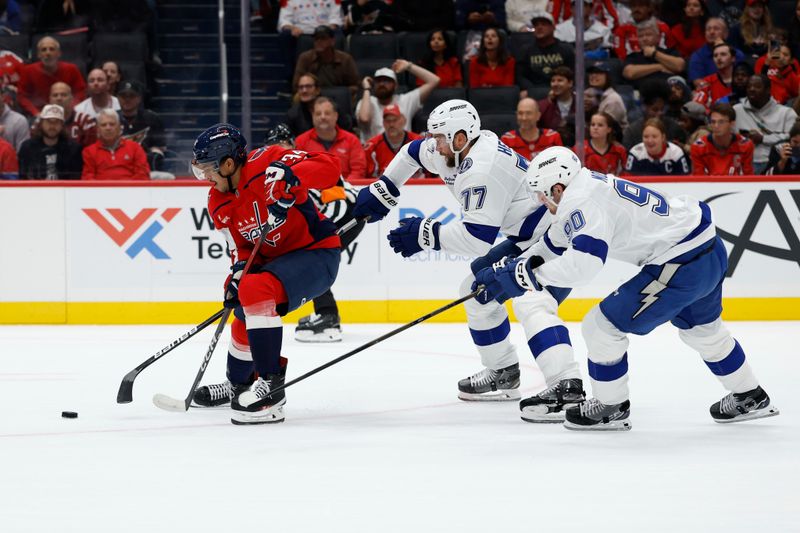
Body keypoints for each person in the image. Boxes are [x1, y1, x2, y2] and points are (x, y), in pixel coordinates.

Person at [473, 144, 779, 430]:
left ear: (557, 187)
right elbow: (554, 243)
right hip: (707, 250)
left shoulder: (581, 201)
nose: (541, 201)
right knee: (704, 331)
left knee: (600, 326)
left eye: (542, 194)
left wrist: (528, 277)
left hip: (679, 264)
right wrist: (510, 268)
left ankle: (611, 407)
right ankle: (750, 395)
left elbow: (584, 265)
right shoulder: (584, 186)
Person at [353, 100, 585, 421]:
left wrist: (426, 234)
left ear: (461, 138)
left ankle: (566, 384)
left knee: (533, 303)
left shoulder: (481, 169)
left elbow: (477, 238)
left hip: (558, 237)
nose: (434, 145)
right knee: (477, 291)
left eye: (440, 138)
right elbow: (411, 152)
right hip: (528, 237)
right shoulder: (453, 148)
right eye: (434, 137)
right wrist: (386, 186)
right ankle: (503, 370)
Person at [189, 123, 344, 424]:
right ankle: (239, 385)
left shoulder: (268, 161)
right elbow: (241, 249)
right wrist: (236, 274)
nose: (205, 177)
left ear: (228, 163)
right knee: (244, 305)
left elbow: (330, 168)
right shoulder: (217, 201)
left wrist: (291, 174)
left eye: (208, 168)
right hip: (275, 264)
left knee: (255, 289)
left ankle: (272, 388)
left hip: (317, 255)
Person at [356, 62, 440, 142]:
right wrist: (366, 89)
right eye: (378, 81)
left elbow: (434, 80)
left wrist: (408, 66)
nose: (382, 84)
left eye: (387, 81)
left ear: (395, 85)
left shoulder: (405, 100)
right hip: (373, 153)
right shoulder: (367, 101)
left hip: (403, 152)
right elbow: (364, 119)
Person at [733, 74, 798, 174]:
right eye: (749, 86)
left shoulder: (786, 113)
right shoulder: (736, 110)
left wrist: (763, 139)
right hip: (742, 162)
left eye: (757, 86)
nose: (752, 89)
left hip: (774, 162)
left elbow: (794, 140)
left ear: (768, 90)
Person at [295, 96, 366, 182]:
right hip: (312, 191)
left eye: (327, 113)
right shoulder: (300, 141)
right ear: (312, 116)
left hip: (345, 191)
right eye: (318, 114)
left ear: (336, 116)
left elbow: (358, 171)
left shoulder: (352, 140)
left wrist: (345, 187)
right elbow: (297, 172)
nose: (323, 117)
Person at [18, 36, 86, 116]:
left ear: (59, 53)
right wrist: (35, 112)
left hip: (68, 113)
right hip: (40, 114)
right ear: (38, 55)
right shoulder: (28, 71)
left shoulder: (71, 69)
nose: (48, 53)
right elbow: (22, 97)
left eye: (52, 49)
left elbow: (80, 92)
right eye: (44, 50)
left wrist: (71, 109)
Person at [514, 11, 575, 94]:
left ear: (553, 27)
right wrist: (532, 90)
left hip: (561, 90)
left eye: (543, 24)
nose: (539, 27)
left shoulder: (566, 49)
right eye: (536, 25)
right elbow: (520, 76)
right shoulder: (525, 50)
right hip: (534, 91)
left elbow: (573, 73)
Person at [18, 104, 83, 180]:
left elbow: (75, 180)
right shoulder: (27, 148)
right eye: (48, 121)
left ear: (62, 125)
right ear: (41, 123)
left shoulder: (74, 149)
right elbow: (23, 177)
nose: (52, 126)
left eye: (56, 122)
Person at [81, 109, 150, 180]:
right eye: (103, 125)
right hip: (101, 190)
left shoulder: (135, 148)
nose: (108, 128)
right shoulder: (89, 152)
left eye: (112, 124)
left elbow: (143, 174)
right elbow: (88, 178)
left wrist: (126, 188)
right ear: (98, 130)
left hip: (130, 189)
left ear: (119, 128)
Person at [622, 18, 686, 92]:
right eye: (640, 36)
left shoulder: (670, 52)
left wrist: (654, 54)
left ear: (658, 37)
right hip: (643, 94)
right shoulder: (633, 57)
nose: (644, 39)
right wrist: (659, 67)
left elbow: (680, 66)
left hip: (669, 92)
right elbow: (629, 73)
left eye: (648, 35)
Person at [292, 25, 360, 96]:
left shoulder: (345, 59)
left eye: (323, 38)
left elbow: (356, 86)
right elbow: (296, 86)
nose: (319, 41)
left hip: (338, 98)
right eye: (316, 39)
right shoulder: (305, 58)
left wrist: (340, 92)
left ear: (332, 41)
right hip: (313, 97)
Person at [116, 81, 168, 171]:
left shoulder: (152, 119)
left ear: (139, 98)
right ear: (118, 98)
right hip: (118, 164)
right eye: (123, 96)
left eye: (132, 96)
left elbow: (160, 148)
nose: (127, 99)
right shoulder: (111, 119)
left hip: (146, 165)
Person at [690, 102, 754, 175]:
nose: (716, 126)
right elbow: (698, 180)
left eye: (721, 122)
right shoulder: (698, 147)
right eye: (713, 122)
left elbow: (748, 178)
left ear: (732, 123)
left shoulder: (745, 145)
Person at [364, 104, 424, 178]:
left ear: (404, 121)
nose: (391, 124)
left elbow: (430, 174)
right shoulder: (372, 146)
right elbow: (369, 178)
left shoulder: (419, 142)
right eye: (388, 121)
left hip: (418, 188)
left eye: (395, 120)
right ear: (383, 123)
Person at [688, 18, 746, 85]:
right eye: (708, 29)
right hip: (711, 92)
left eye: (716, 29)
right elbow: (698, 82)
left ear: (726, 33)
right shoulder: (698, 56)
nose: (711, 32)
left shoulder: (737, 54)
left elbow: (743, 77)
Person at [625, 118, 691, 175]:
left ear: (663, 137)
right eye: (646, 136)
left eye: (654, 136)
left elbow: (684, 182)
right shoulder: (636, 153)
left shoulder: (676, 153)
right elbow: (628, 181)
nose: (650, 141)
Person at [74, 68, 121, 146]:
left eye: (100, 80)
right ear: (87, 86)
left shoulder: (119, 104)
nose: (96, 83)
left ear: (108, 85)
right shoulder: (79, 110)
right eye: (91, 81)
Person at [694, 42, 736, 108]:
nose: (718, 58)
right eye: (715, 55)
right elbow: (696, 106)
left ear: (733, 58)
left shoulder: (742, 80)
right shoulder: (706, 82)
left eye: (723, 54)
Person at [587, 63, 627, 129]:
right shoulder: (591, 96)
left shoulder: (613, 100)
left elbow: (606, 128)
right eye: (591, 73)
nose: (593, 75)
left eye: (599, 73)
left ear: (608, 77)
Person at [537, 65, 574, 132]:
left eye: (560, 80)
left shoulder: (581, 103)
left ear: (570, 83)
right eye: (553, 81)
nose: (555, 84)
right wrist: (548, 102)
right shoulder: (542, 106)